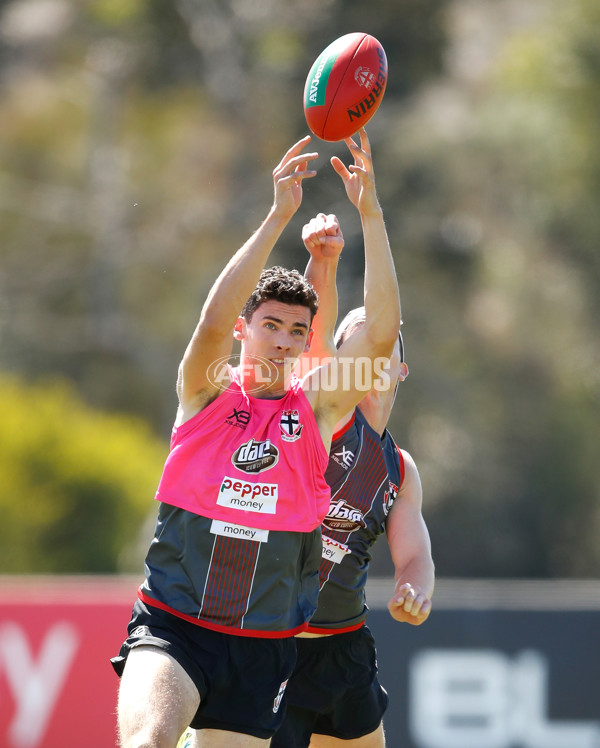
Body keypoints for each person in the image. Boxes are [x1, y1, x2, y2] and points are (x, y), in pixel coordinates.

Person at [111, 128, 401, 748]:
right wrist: (277, 215)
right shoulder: (206, 393)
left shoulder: (318, 411)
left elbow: (379, 335)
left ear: (305, 343)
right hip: (175, 622)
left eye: (297, 331)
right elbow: (212, 319)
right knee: (148, 742)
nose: (282, 339)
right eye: (269, 324)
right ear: (246, 330)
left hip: (263, 644)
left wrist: (371, 213)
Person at [268, 213, 435, 748]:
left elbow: (415, 555)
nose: (374, 352)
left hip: (343, 644)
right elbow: (314, 345)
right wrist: (325, 261)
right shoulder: (326, 421)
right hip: (278, 640)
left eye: (384, 346)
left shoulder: (400, 468)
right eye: (358, 344)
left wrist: (416, 590)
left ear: (401, 369)